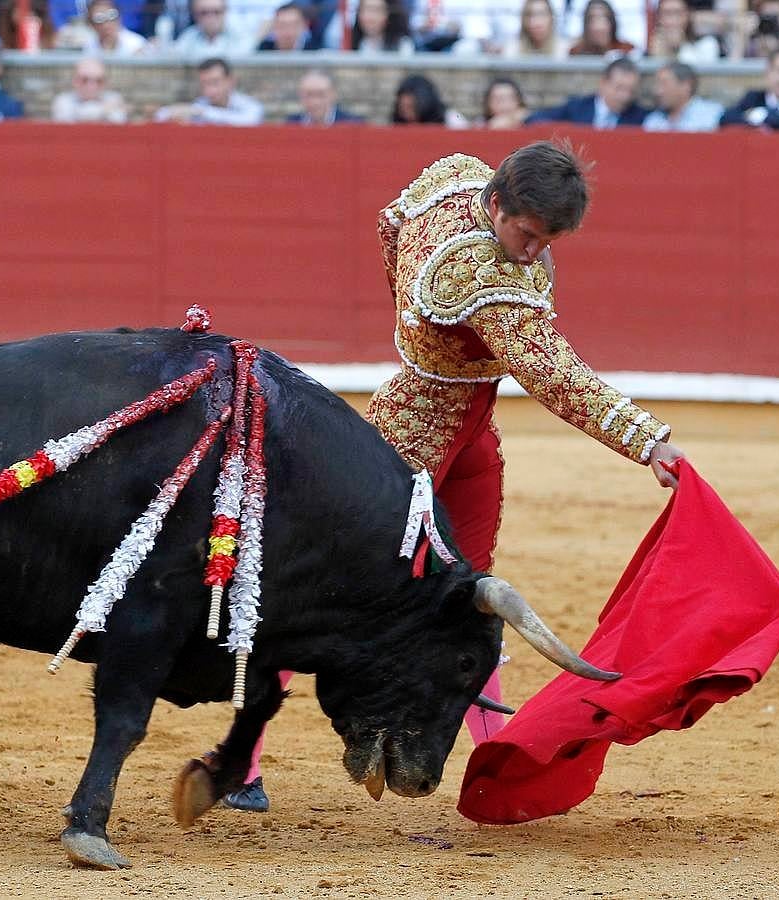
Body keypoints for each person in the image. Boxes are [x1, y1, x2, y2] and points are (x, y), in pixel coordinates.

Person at [224, 140, 686, 813]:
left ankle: (497, 762)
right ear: (497, 203)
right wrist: (646, 441)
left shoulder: (454, 174)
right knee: (326, 595)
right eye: (527, 235)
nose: (532, 254)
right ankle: (240, 760)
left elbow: (389, 223)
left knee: (475, 607)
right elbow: (553, 375)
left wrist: (418, 329)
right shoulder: (480, 274)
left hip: (467, 437)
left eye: (547, 241)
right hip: (405, 448)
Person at [526, 55, 647, 128]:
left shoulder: (639, 116)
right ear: (603, 83)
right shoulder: (577, 107)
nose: (625, 96)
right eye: (619, 88)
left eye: (631, 91)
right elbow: (536, 120)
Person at [153, 56, 263, 125]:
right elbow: (161, 115)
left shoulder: (250, 105)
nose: (209, 90)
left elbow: (250, 120)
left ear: (231, 81)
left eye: (215, 82)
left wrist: (204, 112)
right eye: (204, 84)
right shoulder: (200, 105)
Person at [642, 61, 722, 132]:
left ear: (686, 85)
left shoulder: (712, 116)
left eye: (664, 84)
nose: (658, 91)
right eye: (657, 84)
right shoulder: (653, 120)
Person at [51, 56, 128, 123]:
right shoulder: (63, 100)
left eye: (99, 81)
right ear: (74, 81)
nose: (92, 85)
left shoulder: (114, 98)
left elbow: (118, 120)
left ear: (105, 82)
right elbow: (64, 119)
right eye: (85, 80)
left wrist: (82, 114)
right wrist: (104, 110)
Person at [168, 0, 253, 56]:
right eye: (204, 13)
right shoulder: (189, 36)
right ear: (194, 14)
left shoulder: (241, 35)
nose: (211, 18)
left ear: (225, 12)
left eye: (216, 12)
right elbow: (174, 55)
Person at [647, 0, 721, 63]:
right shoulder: (652, 44)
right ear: (659, 18)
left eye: (678, 13)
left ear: (688, 15)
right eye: (667, 13)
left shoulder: (708, 43)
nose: (673, 20)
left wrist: (678, 47)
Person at [285, 69, 363, 125]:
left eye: (320, 95)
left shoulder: (353, 124)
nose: (315, 102)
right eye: (309, 95)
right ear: (300, 96)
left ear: (333, 94)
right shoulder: (291, 124)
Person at [391, 73, 465, 128]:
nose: (406, 114)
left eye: (410, 107)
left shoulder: (451, 120)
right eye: (402, 108)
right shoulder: (398, 124)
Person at [340, 0, 414, 54]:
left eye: (376, 10)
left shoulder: (403, 45)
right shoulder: (353, 44)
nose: (370, 17)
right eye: (365, 9)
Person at [569, 0, 634, 55]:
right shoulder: (576, 52)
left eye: (604, 19)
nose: (599, 27)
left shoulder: (626, 50)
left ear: (612, 23)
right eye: (593, 20)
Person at [81, 0, 148, 53]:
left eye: (112, 15)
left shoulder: (137, 44)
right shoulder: (88, 47)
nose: (107, 24)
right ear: (91, 25)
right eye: (99, 19)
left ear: (120, 17)